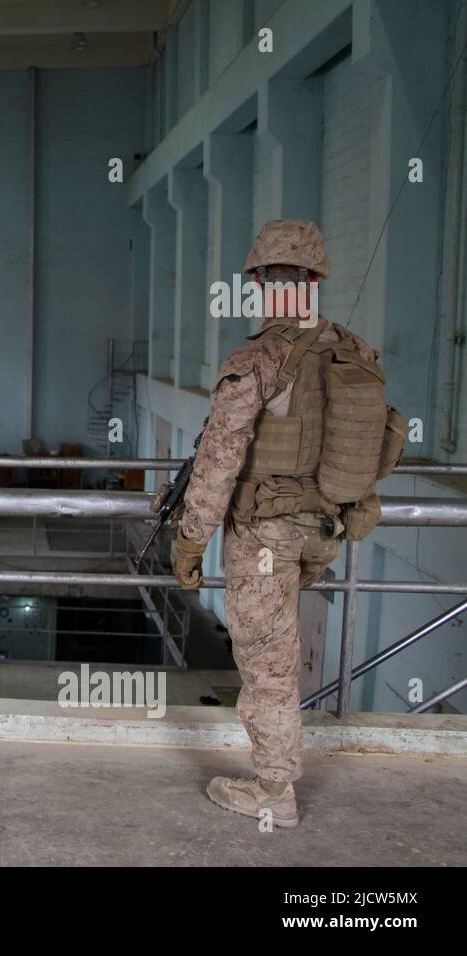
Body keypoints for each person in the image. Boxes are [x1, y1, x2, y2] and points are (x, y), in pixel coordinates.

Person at [172, 219, 385, 828]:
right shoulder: (355, 351)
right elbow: (371, 450)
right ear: (316, 279)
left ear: (262, 282)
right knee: (282, 651)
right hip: (323, 529)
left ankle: (274, 792)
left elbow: (219, 461)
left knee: (267, 661)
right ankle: (276, 776)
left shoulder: (257, 360)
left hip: (265, 534)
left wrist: (190, 542)